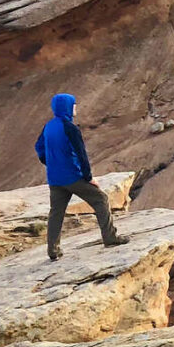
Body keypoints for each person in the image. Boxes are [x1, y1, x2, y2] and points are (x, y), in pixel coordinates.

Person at [35, 93, 127, 260]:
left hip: (55, 179)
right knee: (100, 199)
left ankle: (53, 250)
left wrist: (52, 163)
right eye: (74, 104)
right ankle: (110, 237)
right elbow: (81, 154)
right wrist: (89, 177)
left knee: (56, 212)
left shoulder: (48, 126)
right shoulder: (70, 128)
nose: (76, 107)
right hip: (73, 177)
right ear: (68, 107)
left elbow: (39, 148)